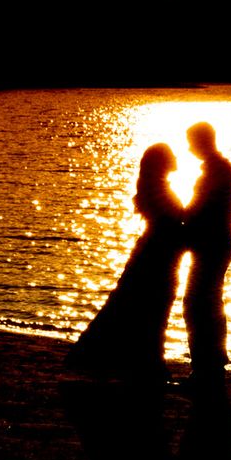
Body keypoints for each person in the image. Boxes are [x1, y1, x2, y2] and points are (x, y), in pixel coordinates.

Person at [66, 143, 186, 382]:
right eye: (171, 155)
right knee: (150, 311)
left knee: (137, 308)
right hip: (157, 259)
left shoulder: (154, 187)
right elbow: (169, 226)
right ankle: (149, 364)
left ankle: (139, 362)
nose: (176, 158)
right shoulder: (157, 190)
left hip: (156, 256)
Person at [182, 121, 231, 386]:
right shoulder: (216, 169)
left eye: (191, 141)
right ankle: (212, 363)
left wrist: (181, 219)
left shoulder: (217, 171)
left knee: (198, 303)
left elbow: (202, 209)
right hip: (215, 242)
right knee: (207, 302)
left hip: (212, 243)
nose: (189, 147)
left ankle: (206, 366)